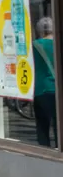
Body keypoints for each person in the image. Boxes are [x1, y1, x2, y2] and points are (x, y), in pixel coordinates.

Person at [33, 17, 58, 148]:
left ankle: (43, 152)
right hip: (56, 89)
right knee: (58, 124)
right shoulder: (58, 44)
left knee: (42, 125)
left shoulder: (34, 45)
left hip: (39, 89)